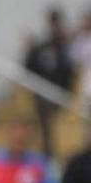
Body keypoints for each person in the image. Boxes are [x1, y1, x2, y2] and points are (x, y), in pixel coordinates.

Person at [23, 8, 74, 156]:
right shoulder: (41, 47)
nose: (55, 26)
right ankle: (47, 152)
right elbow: (29, 67)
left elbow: (70, 73)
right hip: (43, 94)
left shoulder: (66, 48)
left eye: (57, 22)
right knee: (44, 117)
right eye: (52, 22)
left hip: (61, 94)